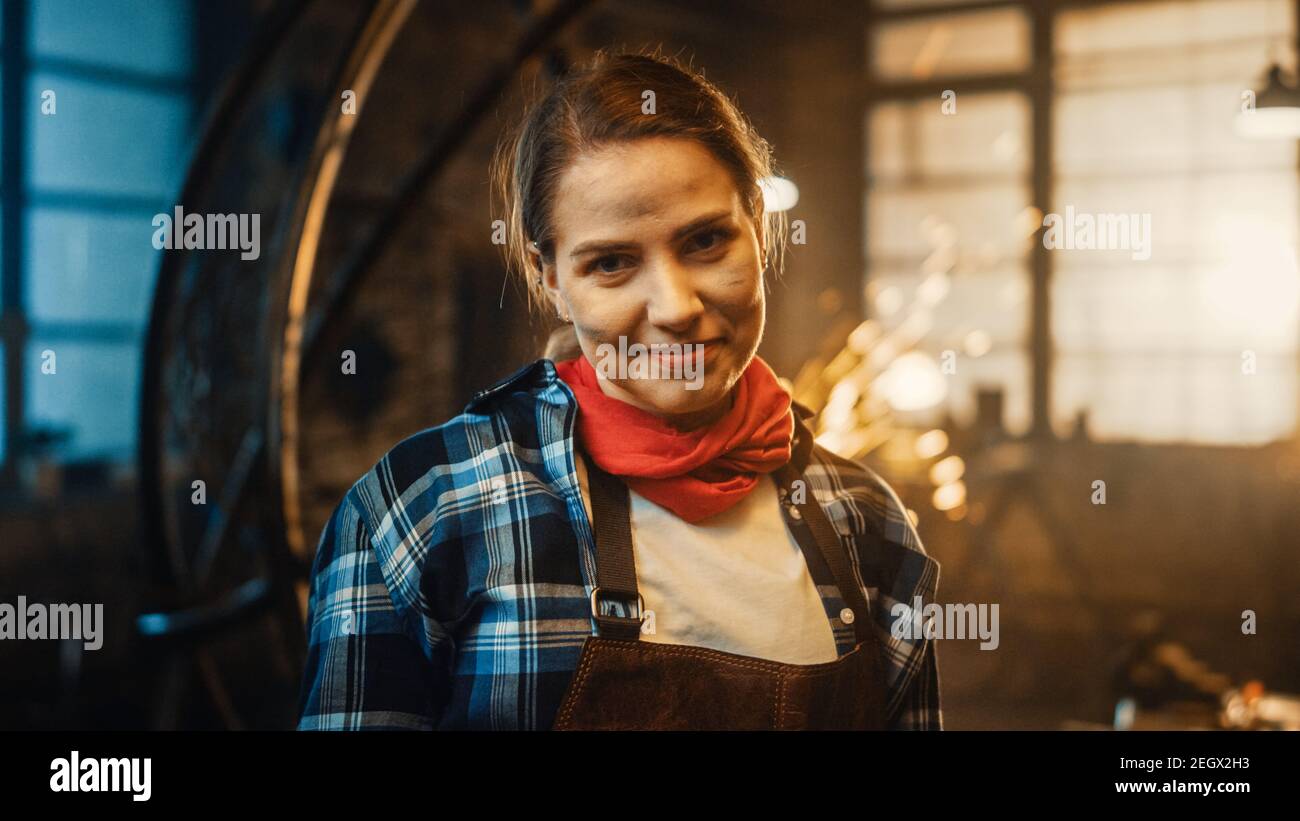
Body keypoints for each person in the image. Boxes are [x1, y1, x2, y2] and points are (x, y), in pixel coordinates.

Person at [297, 48, 941, 730]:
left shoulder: (864, 521)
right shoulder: (418, 513)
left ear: (760, 224)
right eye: (611, 262)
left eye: (706, 241)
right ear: (550, 279)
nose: (674, 306)